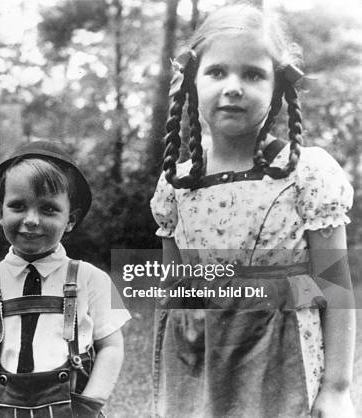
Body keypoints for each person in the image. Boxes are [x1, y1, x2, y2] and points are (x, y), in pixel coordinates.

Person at [150, 5, 355, 418]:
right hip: (200, 367)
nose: (233, 87)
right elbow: (175, 295)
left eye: (253, 74)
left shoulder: (306, 174)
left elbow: (333, 286)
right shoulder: (178, 181)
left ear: (278, 86)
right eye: (217, 72)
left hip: (282, 364)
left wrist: (336, 388)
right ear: (191, 82)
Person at [0, 141, 130, 417]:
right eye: (18, 206)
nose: (32, 220)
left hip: (74, 409)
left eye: (48, 209)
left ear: (70, 220)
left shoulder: (93, 279)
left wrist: (90, 405)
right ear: (1, 212)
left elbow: (112, 346)